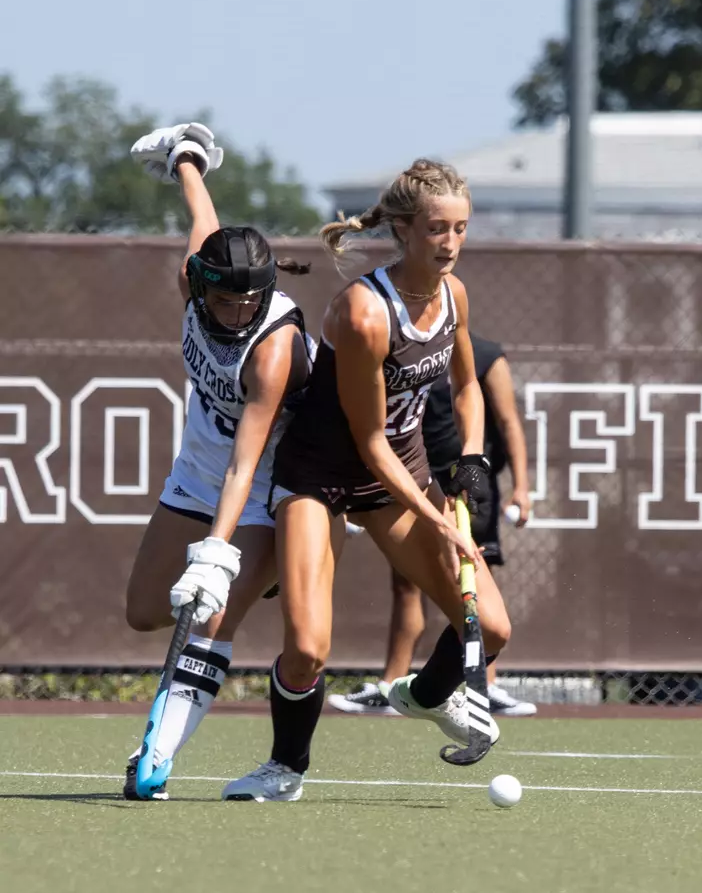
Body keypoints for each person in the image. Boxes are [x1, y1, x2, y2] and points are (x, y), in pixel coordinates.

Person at [197, 158, 512, 802]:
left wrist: (472, 460)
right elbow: (370, 443)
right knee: (310, 648)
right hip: (320, 476)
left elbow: (466, 388)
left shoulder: (454, 296)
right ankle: (285, 767)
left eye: (461, 229)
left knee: (494, 627)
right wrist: (436, 522)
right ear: (401, 230)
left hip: (400, 471)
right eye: (436, 229)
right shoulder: (363, 313)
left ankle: (422, 697)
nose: (451, 243)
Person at [121, 123, 311, 800]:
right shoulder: (194, 283)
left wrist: (215, 552)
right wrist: (187, 159)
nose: (234, 311)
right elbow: (204, 223)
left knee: (209, 618)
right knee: (143, 612)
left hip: (260, 484)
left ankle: (157, 754)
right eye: (222, 298)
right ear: (200, 286)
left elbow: (247, 458)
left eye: (247, 299)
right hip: (194, 474)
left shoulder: (272, 347)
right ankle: (257, 575)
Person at [330, 333, 537, 717]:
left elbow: (508, 421)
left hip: (467, 483)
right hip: (415, 478)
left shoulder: (488, 354)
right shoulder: (402, 353)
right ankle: (392, 686)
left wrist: (522, 487)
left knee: (474, 578)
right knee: (405, 583)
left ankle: (484, 686)